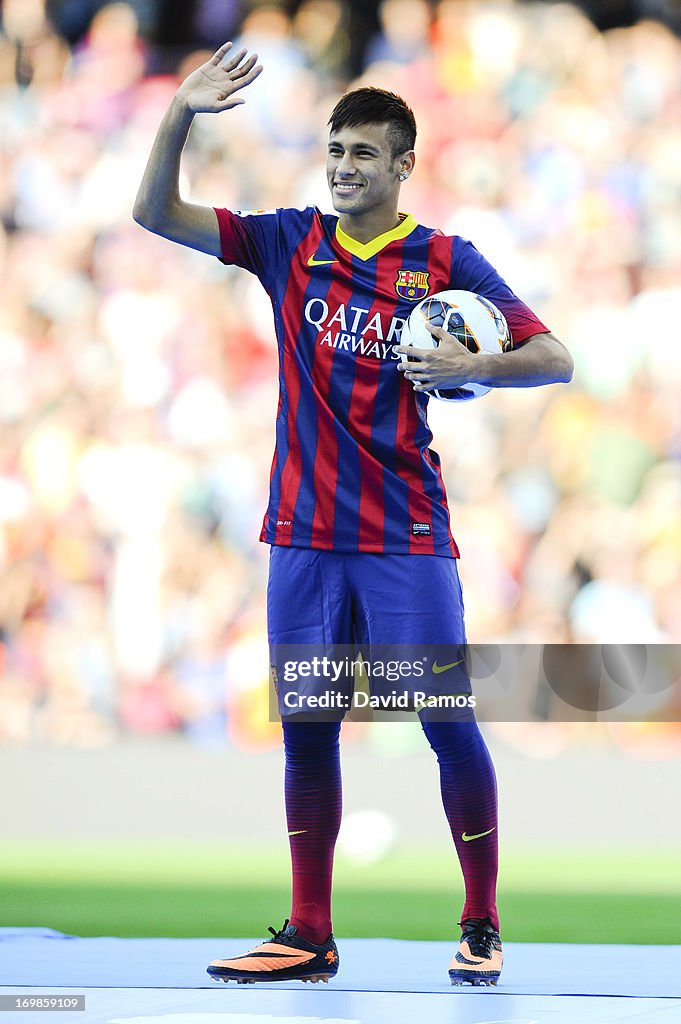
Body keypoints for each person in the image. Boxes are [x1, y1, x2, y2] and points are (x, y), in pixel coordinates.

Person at [133, 42, 573, 988]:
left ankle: (482, 922)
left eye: (363, 154)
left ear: (403, 164)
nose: (342, 167)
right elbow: (152, 214)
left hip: (402, 531)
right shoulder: (288, 240)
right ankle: (308, 934)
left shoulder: (445, 261)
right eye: (334, 150)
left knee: (444, 718)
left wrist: (476, 368)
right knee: (306, 729)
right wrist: (179, 114)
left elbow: (555, 358)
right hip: (299, 533)